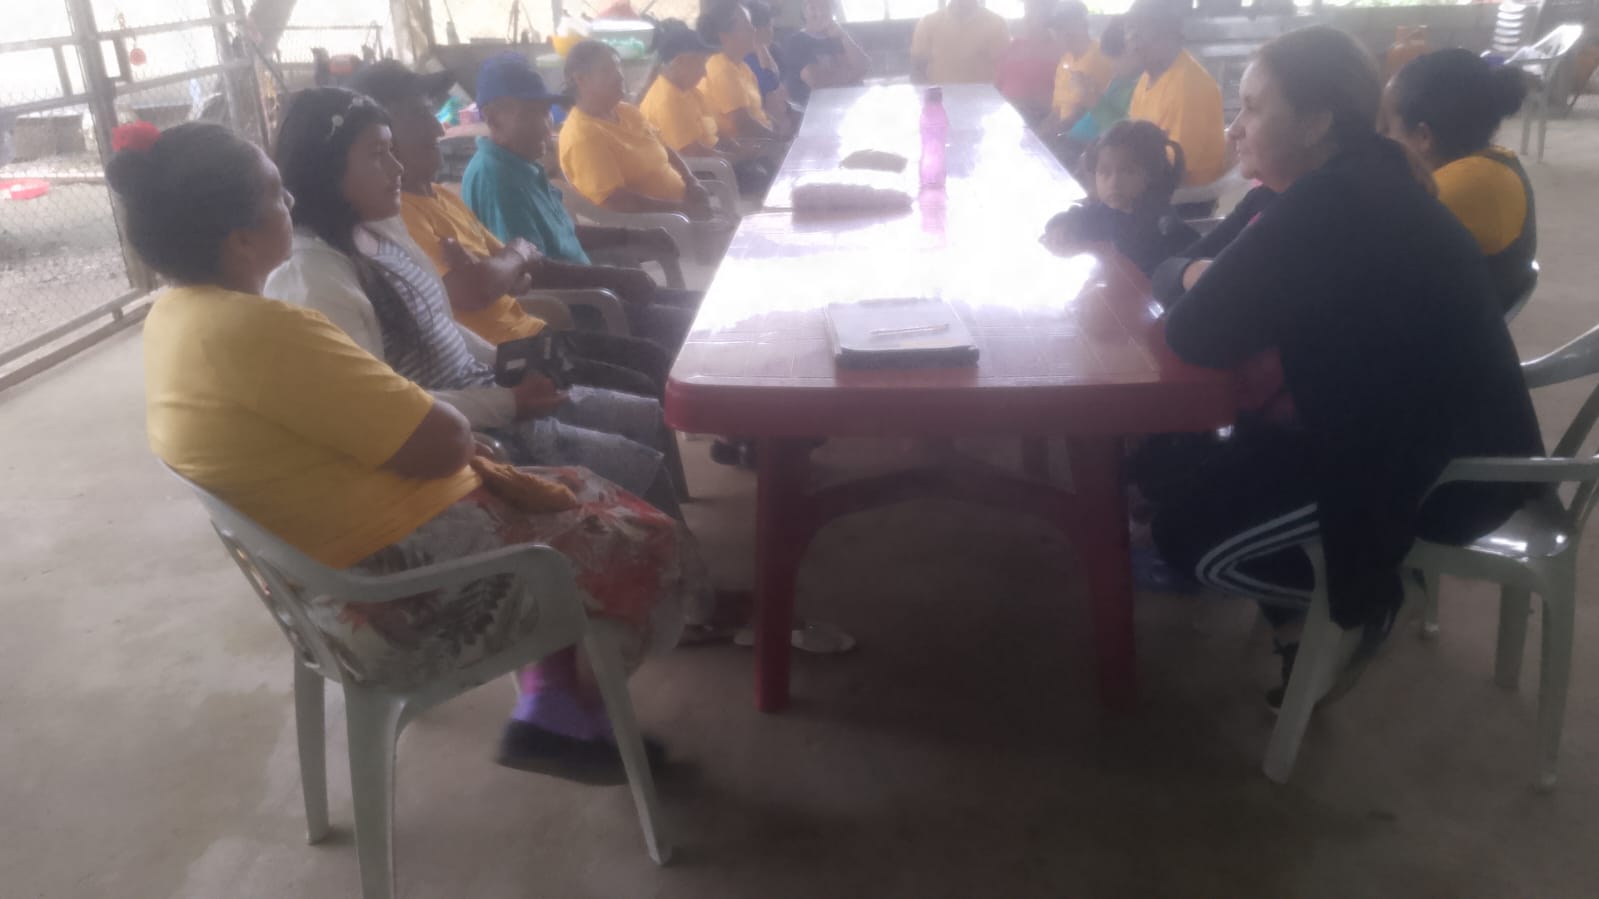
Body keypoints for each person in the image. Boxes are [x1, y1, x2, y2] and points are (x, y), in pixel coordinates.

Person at [118, 118, 706, 782]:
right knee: (646, 538)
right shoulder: (270, 328)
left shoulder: (176, 316)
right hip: (391, 590)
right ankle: (565, 719)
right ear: (241, 238)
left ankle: (553, 700)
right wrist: (474, 418)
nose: (291, 204)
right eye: (277, 194)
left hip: (326, 569)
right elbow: (443, 443)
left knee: (567, 487)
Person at [1144, 26, 1542, 707]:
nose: (1235, 128)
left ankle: (1369, 602)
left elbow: (1194, 331)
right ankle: (1304, 619)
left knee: (1187, 538)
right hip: (1377, 424)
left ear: (1316, 121)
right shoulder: (1323, 182)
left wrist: (1195, 275)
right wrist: (1197, 272)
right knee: (1171, 471)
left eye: (1253, 108)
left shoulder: (1331, 201)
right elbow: (1177, 273)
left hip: (1438, 474)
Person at [265, 88, 684, 519]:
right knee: (639, 465)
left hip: (488, 389)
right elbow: (383, 413)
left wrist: (509, 363)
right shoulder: (317, 279)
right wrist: (508, 402)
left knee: (646, 416)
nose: (396, 167)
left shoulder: (376, 233)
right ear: (325, 168)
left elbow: (441, 323)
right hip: (468, 434)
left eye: (391, 150)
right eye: (377, 154)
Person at [344, 60, 675, 399]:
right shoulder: (404, 212)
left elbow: (522, 270)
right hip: (504, 356)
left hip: (532, 332)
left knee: (656, 355)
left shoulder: (443, 194)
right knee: (650, 368)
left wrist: (503, 267)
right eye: (419, 115)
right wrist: (510, 260)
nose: (438, 130)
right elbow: (479, 286)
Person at [460, 53, 699, 352]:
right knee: (698, 329)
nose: (547, 127)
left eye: (546, 113)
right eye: (532, 114)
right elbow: (532, 273)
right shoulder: (496, 178)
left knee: (703, 306)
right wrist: (614, 278)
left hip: (596, 291)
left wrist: (633, 236)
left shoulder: (520, 164)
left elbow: (563, 232)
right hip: (575, 311)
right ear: (494, 118)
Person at [1382, 48, 1537, 313]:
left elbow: (1369, 242)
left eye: (1387, 127)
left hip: (1440, 328)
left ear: (1423, 137)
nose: (1381, 137)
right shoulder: (1492, 163)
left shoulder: (1463, 186)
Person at [558, 40, 714, 222]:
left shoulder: (626, 111)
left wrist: (691, 181)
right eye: (607, 71)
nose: (619, 76)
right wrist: (682, 210)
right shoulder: (584, 136)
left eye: (618, 67)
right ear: (581, 80)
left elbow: (664, 147)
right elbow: (617, 202)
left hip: (682, 210)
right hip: (655, 225)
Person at [1041, 119, 1197, 275]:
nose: (1114, 182)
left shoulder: (1160, 224)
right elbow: (1084, 217)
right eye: (1104, 172)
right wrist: (1063, 226)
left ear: (1151, 175)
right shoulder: (1111, 210)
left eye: (1128, 171)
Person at [1123, 0, 1226, 186]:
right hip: (1149, 178)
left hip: (1185, 194)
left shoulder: (1189, 85)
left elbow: (1178, 165)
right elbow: (1133, 138)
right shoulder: (1147, 78)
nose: (1133, 41)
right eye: (1130, 30)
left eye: (1142, 31)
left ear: (1170, 36)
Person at [697, 0, 785, 143]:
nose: (754, 31)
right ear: (725, 36)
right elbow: (744, 125)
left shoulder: (741, 66)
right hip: (745, 148)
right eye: (746, 27)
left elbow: (758, 112)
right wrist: (780, 140)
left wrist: (778, 128)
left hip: (762, 141)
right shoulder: (721, 69)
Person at [1037, 2, 1115, 138]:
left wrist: (1053, 134)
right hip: (1063, 133)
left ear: (1083, 24)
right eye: (1057, 28)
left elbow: (1083, 112)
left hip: (1085, 137)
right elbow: (1057, 110)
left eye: (1067, 25)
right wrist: (1039, 133)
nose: (1063, 33)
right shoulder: (1065, 60)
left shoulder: (1097, 57)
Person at [780, 0, 871, 107]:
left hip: (846, 104)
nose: (820, 13)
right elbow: (816, 80)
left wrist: (844, 36)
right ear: (804, 11)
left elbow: (864, 67)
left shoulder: (840, 36)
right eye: (813, 8)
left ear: (833, 11)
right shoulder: (796, 41)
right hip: (813, 108)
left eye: (825, 7)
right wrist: (853, 74)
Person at [909, 0, 1012, 86]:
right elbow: (917, 68)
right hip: (940, 96)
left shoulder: (997, 23)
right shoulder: (927, 22)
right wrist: (923, 97)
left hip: (984, 97)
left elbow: (1006, 70)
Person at [996, 0, 1066, 124]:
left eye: (1034, 12)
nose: (1027, 18)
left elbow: (1065, 97)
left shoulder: (1061, 51)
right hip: (1006, 117)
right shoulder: (1013, 46)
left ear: (1048, 15)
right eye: (1026, 11)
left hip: (1041, 119)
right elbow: (998, 85)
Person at [743, 1, 796, 134]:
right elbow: (771, 91)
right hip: (766, 130)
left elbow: (782, 89)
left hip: (781, 120)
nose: (772, 31)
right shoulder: (746, 62)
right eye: (770, 26)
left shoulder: (772, 50)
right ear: (757, 30)